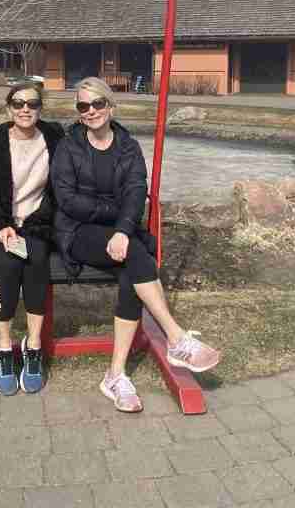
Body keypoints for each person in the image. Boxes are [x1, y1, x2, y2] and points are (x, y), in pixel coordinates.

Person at [52, 77, 220, 413]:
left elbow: (134, 191)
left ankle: (115, 375)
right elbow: (68, 200)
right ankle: (175, 338)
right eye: (83, 106)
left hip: (119, 235)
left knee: (134, 265)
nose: (91, 111)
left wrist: (122, 230)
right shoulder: (68, 146)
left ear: (111, 107)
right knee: (136, 254)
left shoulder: (127, 146)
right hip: (78, 231)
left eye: (97, 104)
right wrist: (117, 221)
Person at [0, 82, 64, 395]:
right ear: (8, 109)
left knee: (36, 259)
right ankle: (4, 346)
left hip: (37, 223)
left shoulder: (55, 138)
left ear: (40, 108)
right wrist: (0, 225)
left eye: (32, 103)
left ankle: (33, 346)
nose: (25, 109)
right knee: (7, 262)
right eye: (18, 104)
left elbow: (94, 138)